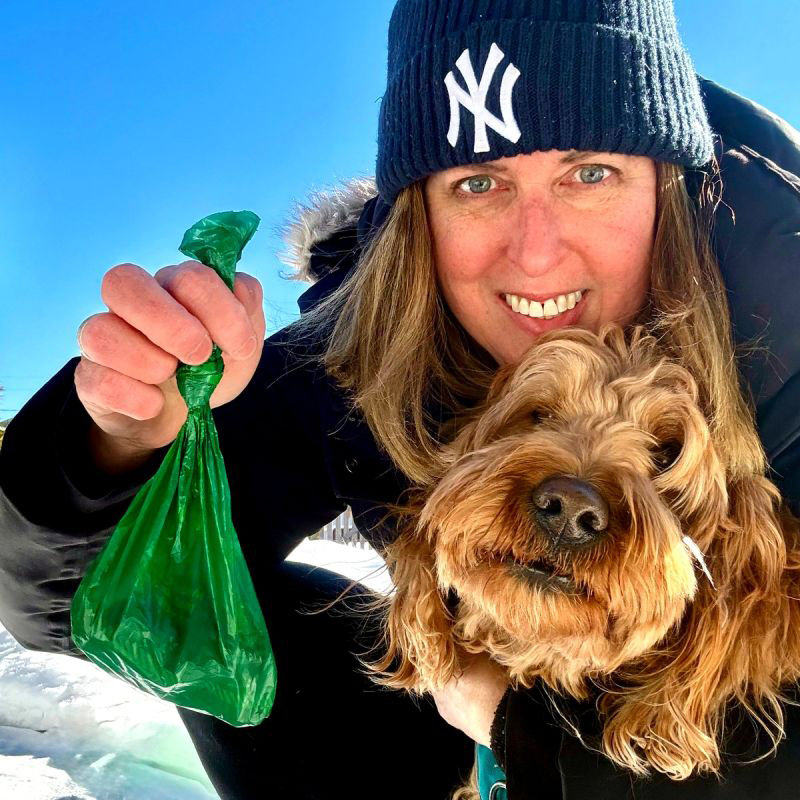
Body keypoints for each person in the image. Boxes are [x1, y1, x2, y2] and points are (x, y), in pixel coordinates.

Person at [1, 1, 799, 798]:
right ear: (419, 215)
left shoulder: (786, 343)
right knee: (277, 626)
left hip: (690, 734)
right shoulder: (356, 359)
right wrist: (117, 445)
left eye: (590, 173)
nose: (537, 255)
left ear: (669, 184)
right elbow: (79, 611)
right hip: (447, 702)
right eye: (477, 182)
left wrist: (522, 733)